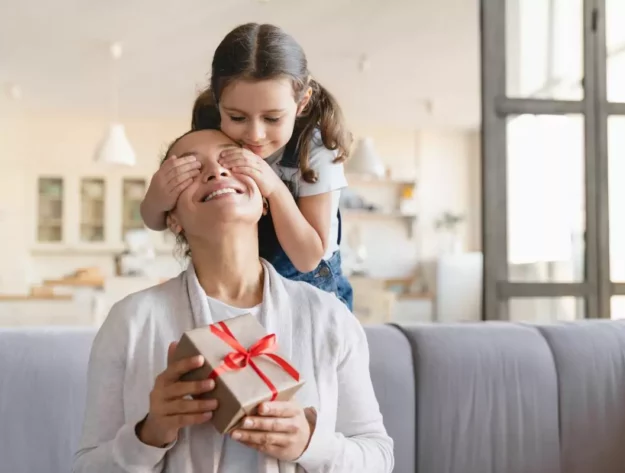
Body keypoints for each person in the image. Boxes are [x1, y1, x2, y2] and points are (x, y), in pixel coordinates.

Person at [73, 129, 394, 473]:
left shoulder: (328, 318)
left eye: (232, 160)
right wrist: (149, 434)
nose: (216, 172)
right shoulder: (130, 322)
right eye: (191, 170)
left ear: (265, 200)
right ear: (173, 219)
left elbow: (377, 458)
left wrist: (310, 444)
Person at [140, 23, 354, 310]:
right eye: (237, 117)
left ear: (301, 103)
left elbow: (307, 258)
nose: (255, 135)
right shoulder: (212, 128)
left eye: (273, 118)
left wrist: (274, 187)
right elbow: (159, 220)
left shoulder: (316, 149)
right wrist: (158, 196)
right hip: (249, 286)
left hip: (313, 284)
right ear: (218, 104)